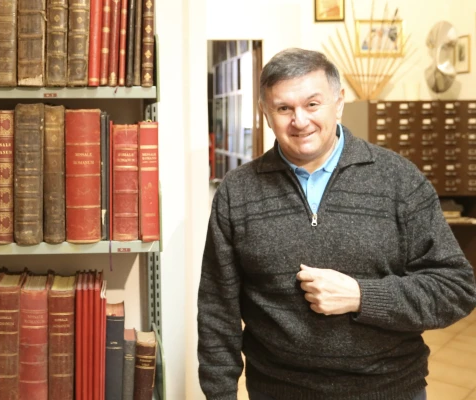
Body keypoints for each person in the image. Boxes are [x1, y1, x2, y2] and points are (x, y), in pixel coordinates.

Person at [197, 48, 476, 400]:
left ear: (339, 102)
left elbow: (457, 290)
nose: (300, 121)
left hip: (389, 389)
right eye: (284, 108)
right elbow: (216, 311)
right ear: (266, 114)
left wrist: (362, 296)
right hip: (278, 391)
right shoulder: (237, 192)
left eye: (313, 104)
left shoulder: (399, 180)